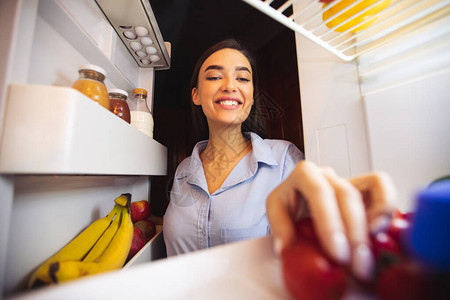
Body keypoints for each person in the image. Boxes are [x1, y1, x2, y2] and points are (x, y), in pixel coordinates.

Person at [163, 38, 396, 281]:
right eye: (214, 77)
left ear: (251, 97)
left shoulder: (285, 161)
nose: (230, 85)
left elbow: (313, 232)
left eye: (242, 78)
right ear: (196, 95)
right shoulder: (183, 171)